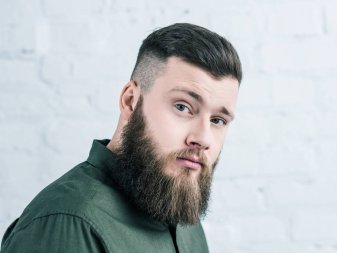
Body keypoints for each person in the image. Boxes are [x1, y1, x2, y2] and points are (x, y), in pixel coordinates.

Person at [0, 23, 242, 253]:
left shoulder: (179, 209)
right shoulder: (69, 223)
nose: (202, 138)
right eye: (182, 107)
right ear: (130, 101)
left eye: (217, 120)